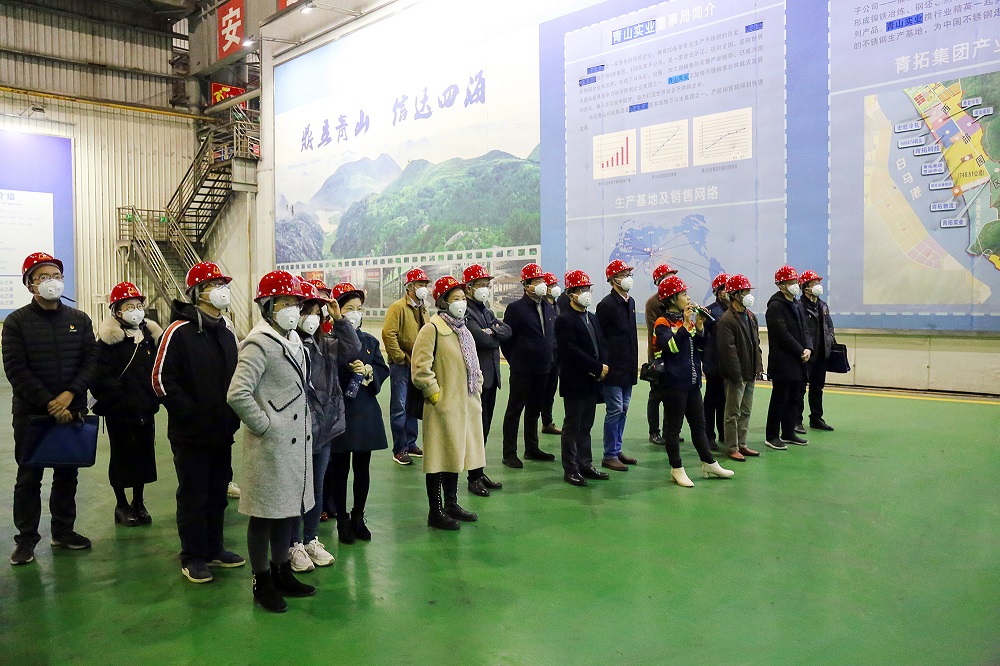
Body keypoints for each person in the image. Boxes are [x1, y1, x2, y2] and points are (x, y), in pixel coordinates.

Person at [227, 271, 317, 613]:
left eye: (295, 302)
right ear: (268, 306)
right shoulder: (258, 343)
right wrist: (265, 425)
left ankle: (281, 572)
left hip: (294, 446)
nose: (292, 309)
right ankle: (261, 580)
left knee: (286, 512)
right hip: (270, 446)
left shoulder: (294, 339)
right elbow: (238, 393)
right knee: (263, 516)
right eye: (284, 302)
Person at [152, 261, 244, 583]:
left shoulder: (227, 333)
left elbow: (236, 380)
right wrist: (190, 412)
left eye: (223, 284)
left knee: (218, 493)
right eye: (214, 285)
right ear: (197, 293)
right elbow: (161, 380)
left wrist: (232, 416)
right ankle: (192, 556)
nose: (222, 290)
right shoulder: (178, 331)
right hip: (190, 434)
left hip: (222, 432)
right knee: (194, 495)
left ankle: (215, 549)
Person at [4, 252, 98, 565]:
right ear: (30, 284)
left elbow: (90, 362)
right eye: (43, 277)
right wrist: (50, 402)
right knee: (29, 478)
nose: (51, 282)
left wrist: (70, 395)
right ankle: (26, 540)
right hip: (32, 415)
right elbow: (16, 369)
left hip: (72, 409)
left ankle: (63, 531)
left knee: (67, 474)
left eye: (56, 276)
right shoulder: (16, 323)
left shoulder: (79, 320)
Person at [288, 281, 359, 569]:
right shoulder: (288, 345)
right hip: (296, 430)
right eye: (308, 311)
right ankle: (294, 544)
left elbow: (353, 349)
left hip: (323, 429)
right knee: (297, 489)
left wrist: (339, 319)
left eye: (318, 313)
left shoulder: (326, 344)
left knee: (316, 489)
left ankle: (311, 538)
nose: (314, 318)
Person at [410, 276, 485, 530]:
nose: (461, 303)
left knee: (455, 454)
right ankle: (436, 510)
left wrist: (477, 387)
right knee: (437, 459)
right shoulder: (432, 329)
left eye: (463, 298)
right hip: (442, 407)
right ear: (443, 302)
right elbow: (420, 369)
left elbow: (473, 365)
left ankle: (451, 504)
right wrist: (436, 396)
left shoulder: (463, 331)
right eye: (456, 299)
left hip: (465, 405)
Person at [651, 276, 735, 487]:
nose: (688, 298)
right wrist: (685, 326)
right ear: (672, 298)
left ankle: (709, 463)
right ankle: (676, 468)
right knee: (673, 429)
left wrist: (699, 327)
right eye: (683, 294)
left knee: (699, 425)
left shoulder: (685, 321)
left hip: (692, 382)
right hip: (673, 384)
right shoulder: (663, 323)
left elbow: (699, 348)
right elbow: (671, 348)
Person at [91, 282, 162, 527]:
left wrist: (152, 399)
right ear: (117, 311)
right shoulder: (107, 342)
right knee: (122, 457)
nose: (136, 310)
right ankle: (121, 504)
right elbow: (98, 377)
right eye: (129, 306)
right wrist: (119, 399)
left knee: (143, 456)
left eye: (138, 305)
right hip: (119, 411)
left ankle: (138, 502)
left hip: (145, 408)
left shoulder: (150, 338)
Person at [328, 282, 389, 543]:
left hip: (364, 412)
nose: (355, 313)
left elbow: (382, 368)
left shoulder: (370, 341)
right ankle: (341, 519)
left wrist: (369, 372)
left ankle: (358, 516)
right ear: (337, 311)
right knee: (339, 469)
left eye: (358, 308)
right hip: (340, 413)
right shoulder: (328, 341)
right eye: (349, 308)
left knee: (362, 468)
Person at [554, 270, 610, 487]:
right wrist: (596, 367)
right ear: (571, 294)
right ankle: (571, 469)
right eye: (581, 289)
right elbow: (571, 351)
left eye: (587, 289)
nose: (585, 293)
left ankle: (585, 464)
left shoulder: (592, 318)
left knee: (586, 425)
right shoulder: (564, 320)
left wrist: (603, 366)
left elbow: (600, 345)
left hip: (592, 381)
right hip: (575, 382)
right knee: (572, 426)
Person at [500, 263, 557, 468]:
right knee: (515, 410)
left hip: (543, 369)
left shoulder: (548, 307)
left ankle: (532, 448)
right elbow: (506, 339)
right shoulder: (515, 309)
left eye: (542, 280)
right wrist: (515, 360)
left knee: (534, 409)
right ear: (526, 285)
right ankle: (509, 453)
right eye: (537, 281)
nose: (542, 284)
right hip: (522, 369)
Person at [462, 264, 510, 497]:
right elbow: (480, 339)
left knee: (485, 428)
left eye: (486, 285)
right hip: (477, 380)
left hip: (491, 378)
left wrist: (493, 331)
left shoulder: (487, 311)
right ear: (469, 288)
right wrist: (492, 332)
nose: (485, 289)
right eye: (480, 285)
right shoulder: (467, 312)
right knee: (476, 429)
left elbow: (507, 331)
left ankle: (480, 472)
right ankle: (473, 477)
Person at [382, 268, 430, 466]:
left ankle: (411, 444)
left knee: (412, 406)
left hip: (417, 365)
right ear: (410, 287)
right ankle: (399, 449)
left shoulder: (423, 309)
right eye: (420, 284)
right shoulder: (398, 307)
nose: (423, 288)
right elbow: (388, 334)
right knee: (399, 407)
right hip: (402, 366)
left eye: (425, 285)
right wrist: (400, 357)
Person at [596, 259, 639, 472]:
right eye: (623, 275)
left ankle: (617, 448)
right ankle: (609, 454)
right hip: (613, 369)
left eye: (628, 274)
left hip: (628, 367)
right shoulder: (606, 305)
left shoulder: (630, 302)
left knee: (624, 409)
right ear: (613, 280)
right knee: (615, 410)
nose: (628, 278)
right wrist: (603, 365)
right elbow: (601, 339)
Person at [764, 265, 813, 450]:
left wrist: (808, 348)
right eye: (790, 282)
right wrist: (800, 350)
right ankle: (772, 435)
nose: (794, 284)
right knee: (779, 398)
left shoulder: (797, 303)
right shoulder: (775, 306)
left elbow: (805, 328)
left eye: (795, 281)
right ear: (780, 285)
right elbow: (781, 334)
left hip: (798, 360)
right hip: (783, 361)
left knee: (794, 397)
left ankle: (788, 432)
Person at [715, 275, 762, 462]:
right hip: (736, 376)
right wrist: (737, 376)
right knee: (732, 413)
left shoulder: (751, 317)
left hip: (750, 373)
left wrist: (758, 368)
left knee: (746, 411)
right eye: (745, 292)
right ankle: (732, 447)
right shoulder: (726, 320)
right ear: (735, 294)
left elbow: (756, 344)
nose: (748, 295)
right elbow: (728, 352)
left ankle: (742, 444)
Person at [797, 270, 835, 432]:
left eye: (818, 283)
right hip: (806, 354)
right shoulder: (799, 306)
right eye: (813, 284)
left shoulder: (823, 305)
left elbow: (829, 326)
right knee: (800, 388)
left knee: (817, 388)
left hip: (821, 354)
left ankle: (816, 418)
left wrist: (829, 340)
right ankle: (796, 420)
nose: (817, 286)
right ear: (805, 287)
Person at [644, 263, 679, 446]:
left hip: (675, 354)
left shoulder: (678, 299)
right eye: (667, 276)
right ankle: (654, 432)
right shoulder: (652, 303)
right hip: (658, 353)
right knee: (656, 395)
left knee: (672, 395)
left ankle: (669, 431)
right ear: (658, 282)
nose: (672, 279)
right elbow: (655, 331)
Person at [703, 273, 730, 452]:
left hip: (727, 364)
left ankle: (723, 433)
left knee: (724, 400)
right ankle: (709, 435)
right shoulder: (710, 312)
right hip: (713, 363)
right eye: (725, 288)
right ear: (718, 292)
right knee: (711, 400)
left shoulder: (734, 311)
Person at [540, 272, 563, 436]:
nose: (555, 288)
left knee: (551, 390)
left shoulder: (556, 306)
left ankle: (547, 421)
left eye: (555, 285)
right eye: (551, 285)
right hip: (545, 355)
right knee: (542, 389)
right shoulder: (541, 307)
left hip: (557, 355)